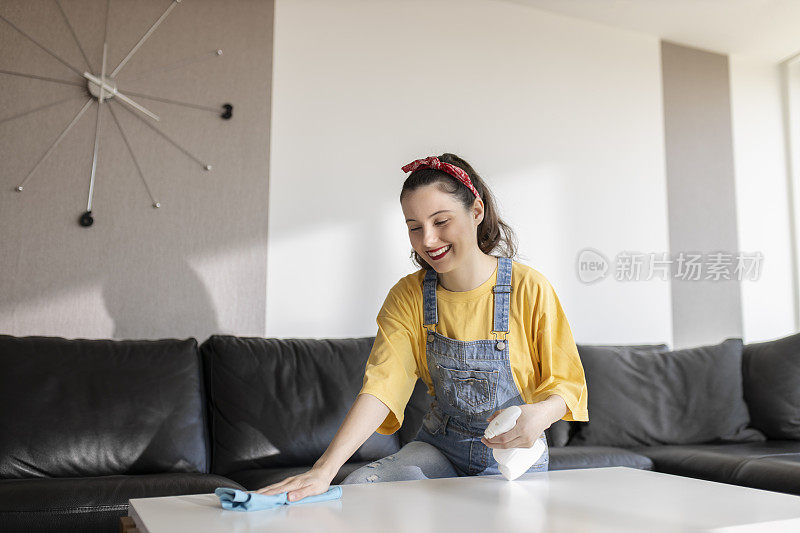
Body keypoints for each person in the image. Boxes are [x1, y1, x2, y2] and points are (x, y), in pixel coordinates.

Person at [253, 153, 589, 501]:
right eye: (415, 227)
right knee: (360, 489)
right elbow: (383, 386)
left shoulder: (528, 288)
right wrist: (324, 470)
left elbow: (567, 384)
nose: (428, 240)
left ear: (476, 211)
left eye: (441, 221)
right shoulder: (408, 296)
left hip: (514, 458)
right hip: (440, 448)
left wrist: (542, 414)